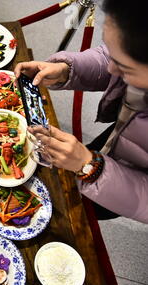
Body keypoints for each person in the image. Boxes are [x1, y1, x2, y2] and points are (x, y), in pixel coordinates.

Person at [14, 0, 148, 224]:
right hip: (126, 138)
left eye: (125, 68)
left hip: (123, 182)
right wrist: (68, 70)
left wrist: (92, 168)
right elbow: (112, 54)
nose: (111, 70)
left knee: (86, 212)